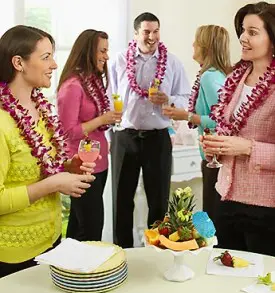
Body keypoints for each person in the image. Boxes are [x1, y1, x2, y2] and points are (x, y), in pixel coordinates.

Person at [0, 25, 95, 278]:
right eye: (46, 57)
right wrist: (53, 183)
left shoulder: (40, 109)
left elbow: (39, 168)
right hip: (13, 255)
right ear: (18, 62)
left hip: (51, 242)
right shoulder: (1, 122)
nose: (54, 64)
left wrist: (67, 167)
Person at [110, 12, 191, 248]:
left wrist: (169, 99)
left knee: (158, 201)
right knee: (122, 200)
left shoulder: (173, 63)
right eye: (147, 31)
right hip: (125, 136)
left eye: (156, 31)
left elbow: (185, 98)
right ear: (136, 34)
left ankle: (156, 252)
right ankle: (122, 252)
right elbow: (109, 96)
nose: (152, 36)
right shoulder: (119, 61)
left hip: (158, 138)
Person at [202, 2, 275, 256]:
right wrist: (216, 148)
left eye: (253, 32)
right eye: (243, 30)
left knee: (261, 287)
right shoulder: (236, 78)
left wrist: (247, 148)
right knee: (224, 278)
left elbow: (244, 144)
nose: (243, 37)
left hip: (265, 207)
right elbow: (226, 130)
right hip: (224, 198)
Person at [163, 25, 232, 225]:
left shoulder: (210, 77)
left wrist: (186, 116)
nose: (193, 45)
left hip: (215, 160)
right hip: (215, 157)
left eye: (197, 41)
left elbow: (219, 120)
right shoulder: (216, 74)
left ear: (206, 47)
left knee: (212, 220)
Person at [57, 29, 121, 242]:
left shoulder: (92, 82)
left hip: (98, 164)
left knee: (80, 224)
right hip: (82, 166)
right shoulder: (72, 86)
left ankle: (71, 268)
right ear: (88, 52)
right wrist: (102, 120)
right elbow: (68, 132)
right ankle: (85, 272)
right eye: (102, 51)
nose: (107, 56)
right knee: (91, 228)